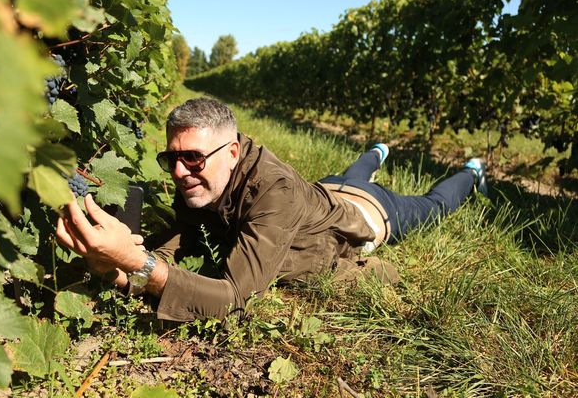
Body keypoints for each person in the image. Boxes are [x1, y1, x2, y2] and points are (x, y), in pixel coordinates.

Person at [56, 97, 487, 321]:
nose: (181, 172)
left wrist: (141, 265)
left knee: (434, 204)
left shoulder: (274, 191)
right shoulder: (198, 181)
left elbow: (232, 297)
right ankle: (375, 152)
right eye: (173, 159)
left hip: (372, 213)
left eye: (195, 158)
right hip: (327, 189)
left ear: (233, 151)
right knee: (355, 170)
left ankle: (471, 172)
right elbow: (171, 247)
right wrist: (118, 269)